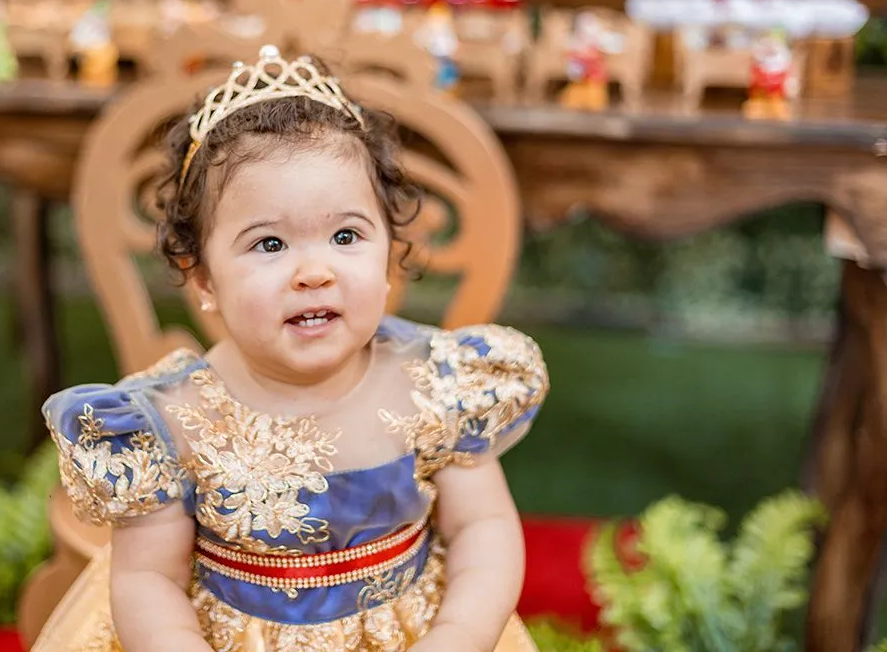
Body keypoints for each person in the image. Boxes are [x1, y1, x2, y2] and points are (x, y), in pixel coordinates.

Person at [38, 45, 549, 652]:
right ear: (202, 278)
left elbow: (482, 527)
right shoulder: (171, 418)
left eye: (345, 235)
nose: (314, 271)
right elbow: (148, 578)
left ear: (389, 253)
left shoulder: (436, 380)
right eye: (270, 244)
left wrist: (458, 637)